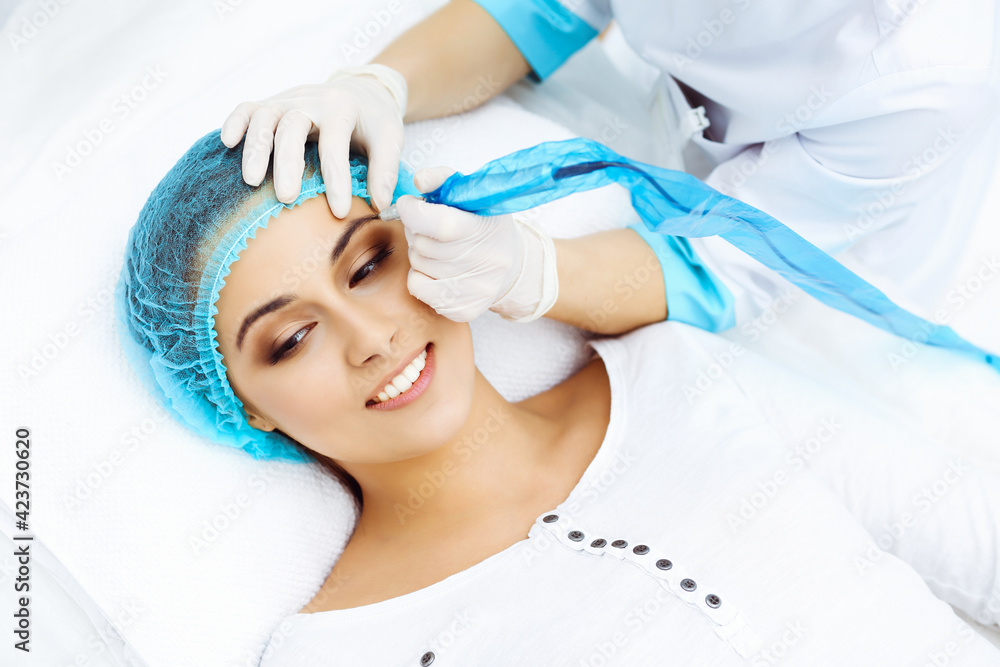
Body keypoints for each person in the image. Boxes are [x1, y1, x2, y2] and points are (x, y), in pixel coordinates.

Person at [116, 132, 1000, 665]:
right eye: (291, 338)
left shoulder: (685, 378)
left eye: (370, 262)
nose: (371, 337)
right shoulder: (337, 654)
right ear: (243, 405)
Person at [220, 0, 1000, 324]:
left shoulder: (933, 65)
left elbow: (728, 265)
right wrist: (382, 85)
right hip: (679, 128)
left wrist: (535, 274)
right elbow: (543, 11)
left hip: (852, 253)